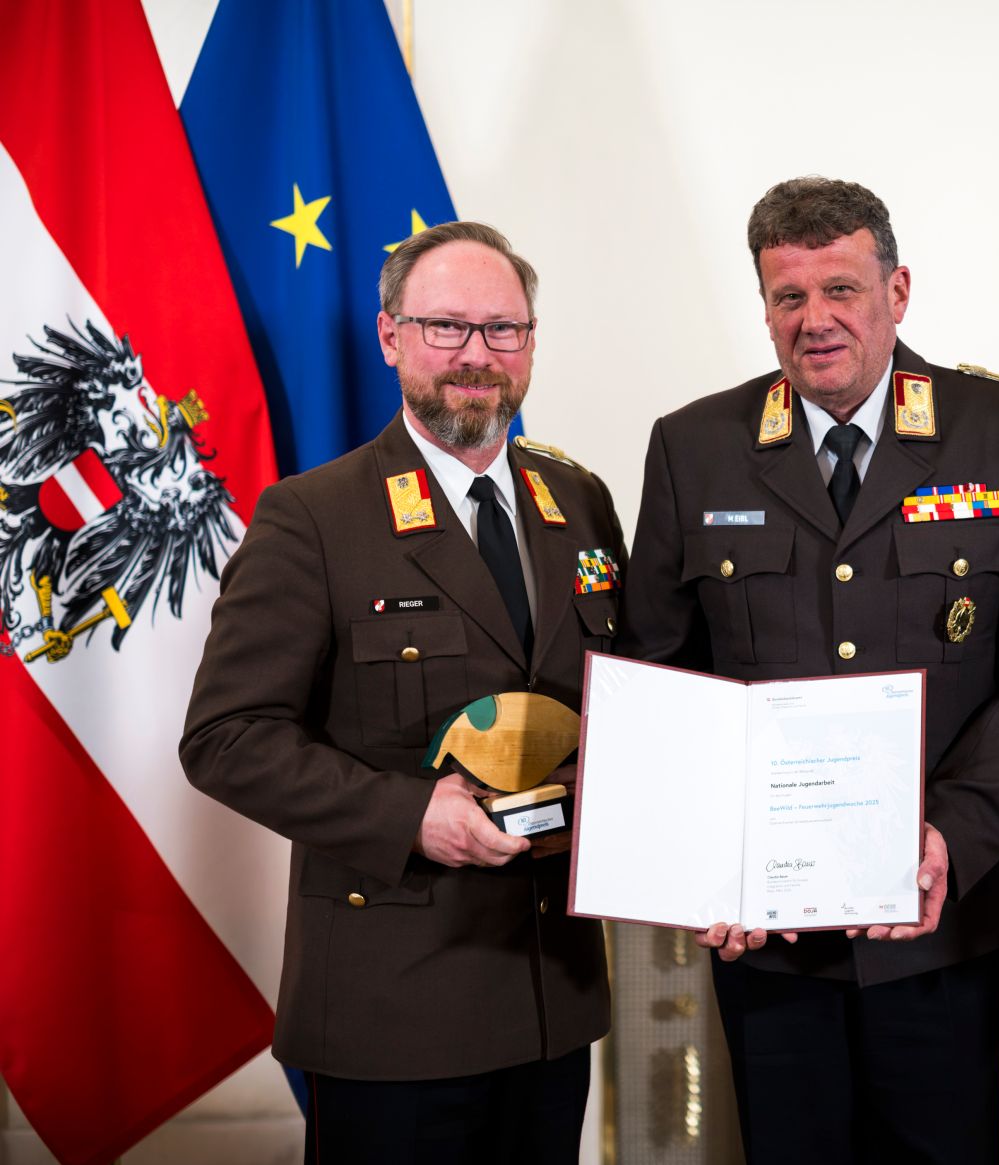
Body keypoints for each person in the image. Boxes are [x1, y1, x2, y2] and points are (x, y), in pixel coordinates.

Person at [615, 176, 999, 1164]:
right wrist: (709, 860)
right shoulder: (692, 450)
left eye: (840, 289)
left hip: (940, 916)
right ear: (763, 307)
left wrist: (946, 839)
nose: (814, 319)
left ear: (897, 290)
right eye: (787, 297)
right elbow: (659, 684)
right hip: (767, 933)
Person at [180, 221, 623, 1165]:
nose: (477, 355)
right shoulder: (314, 516)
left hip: (553, 997)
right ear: (391, 339)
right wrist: (409, 814)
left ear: (531, 344)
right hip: (395, 1011)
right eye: (447, 327)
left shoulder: (576, 501)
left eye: (503, 330)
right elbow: (225, 735)